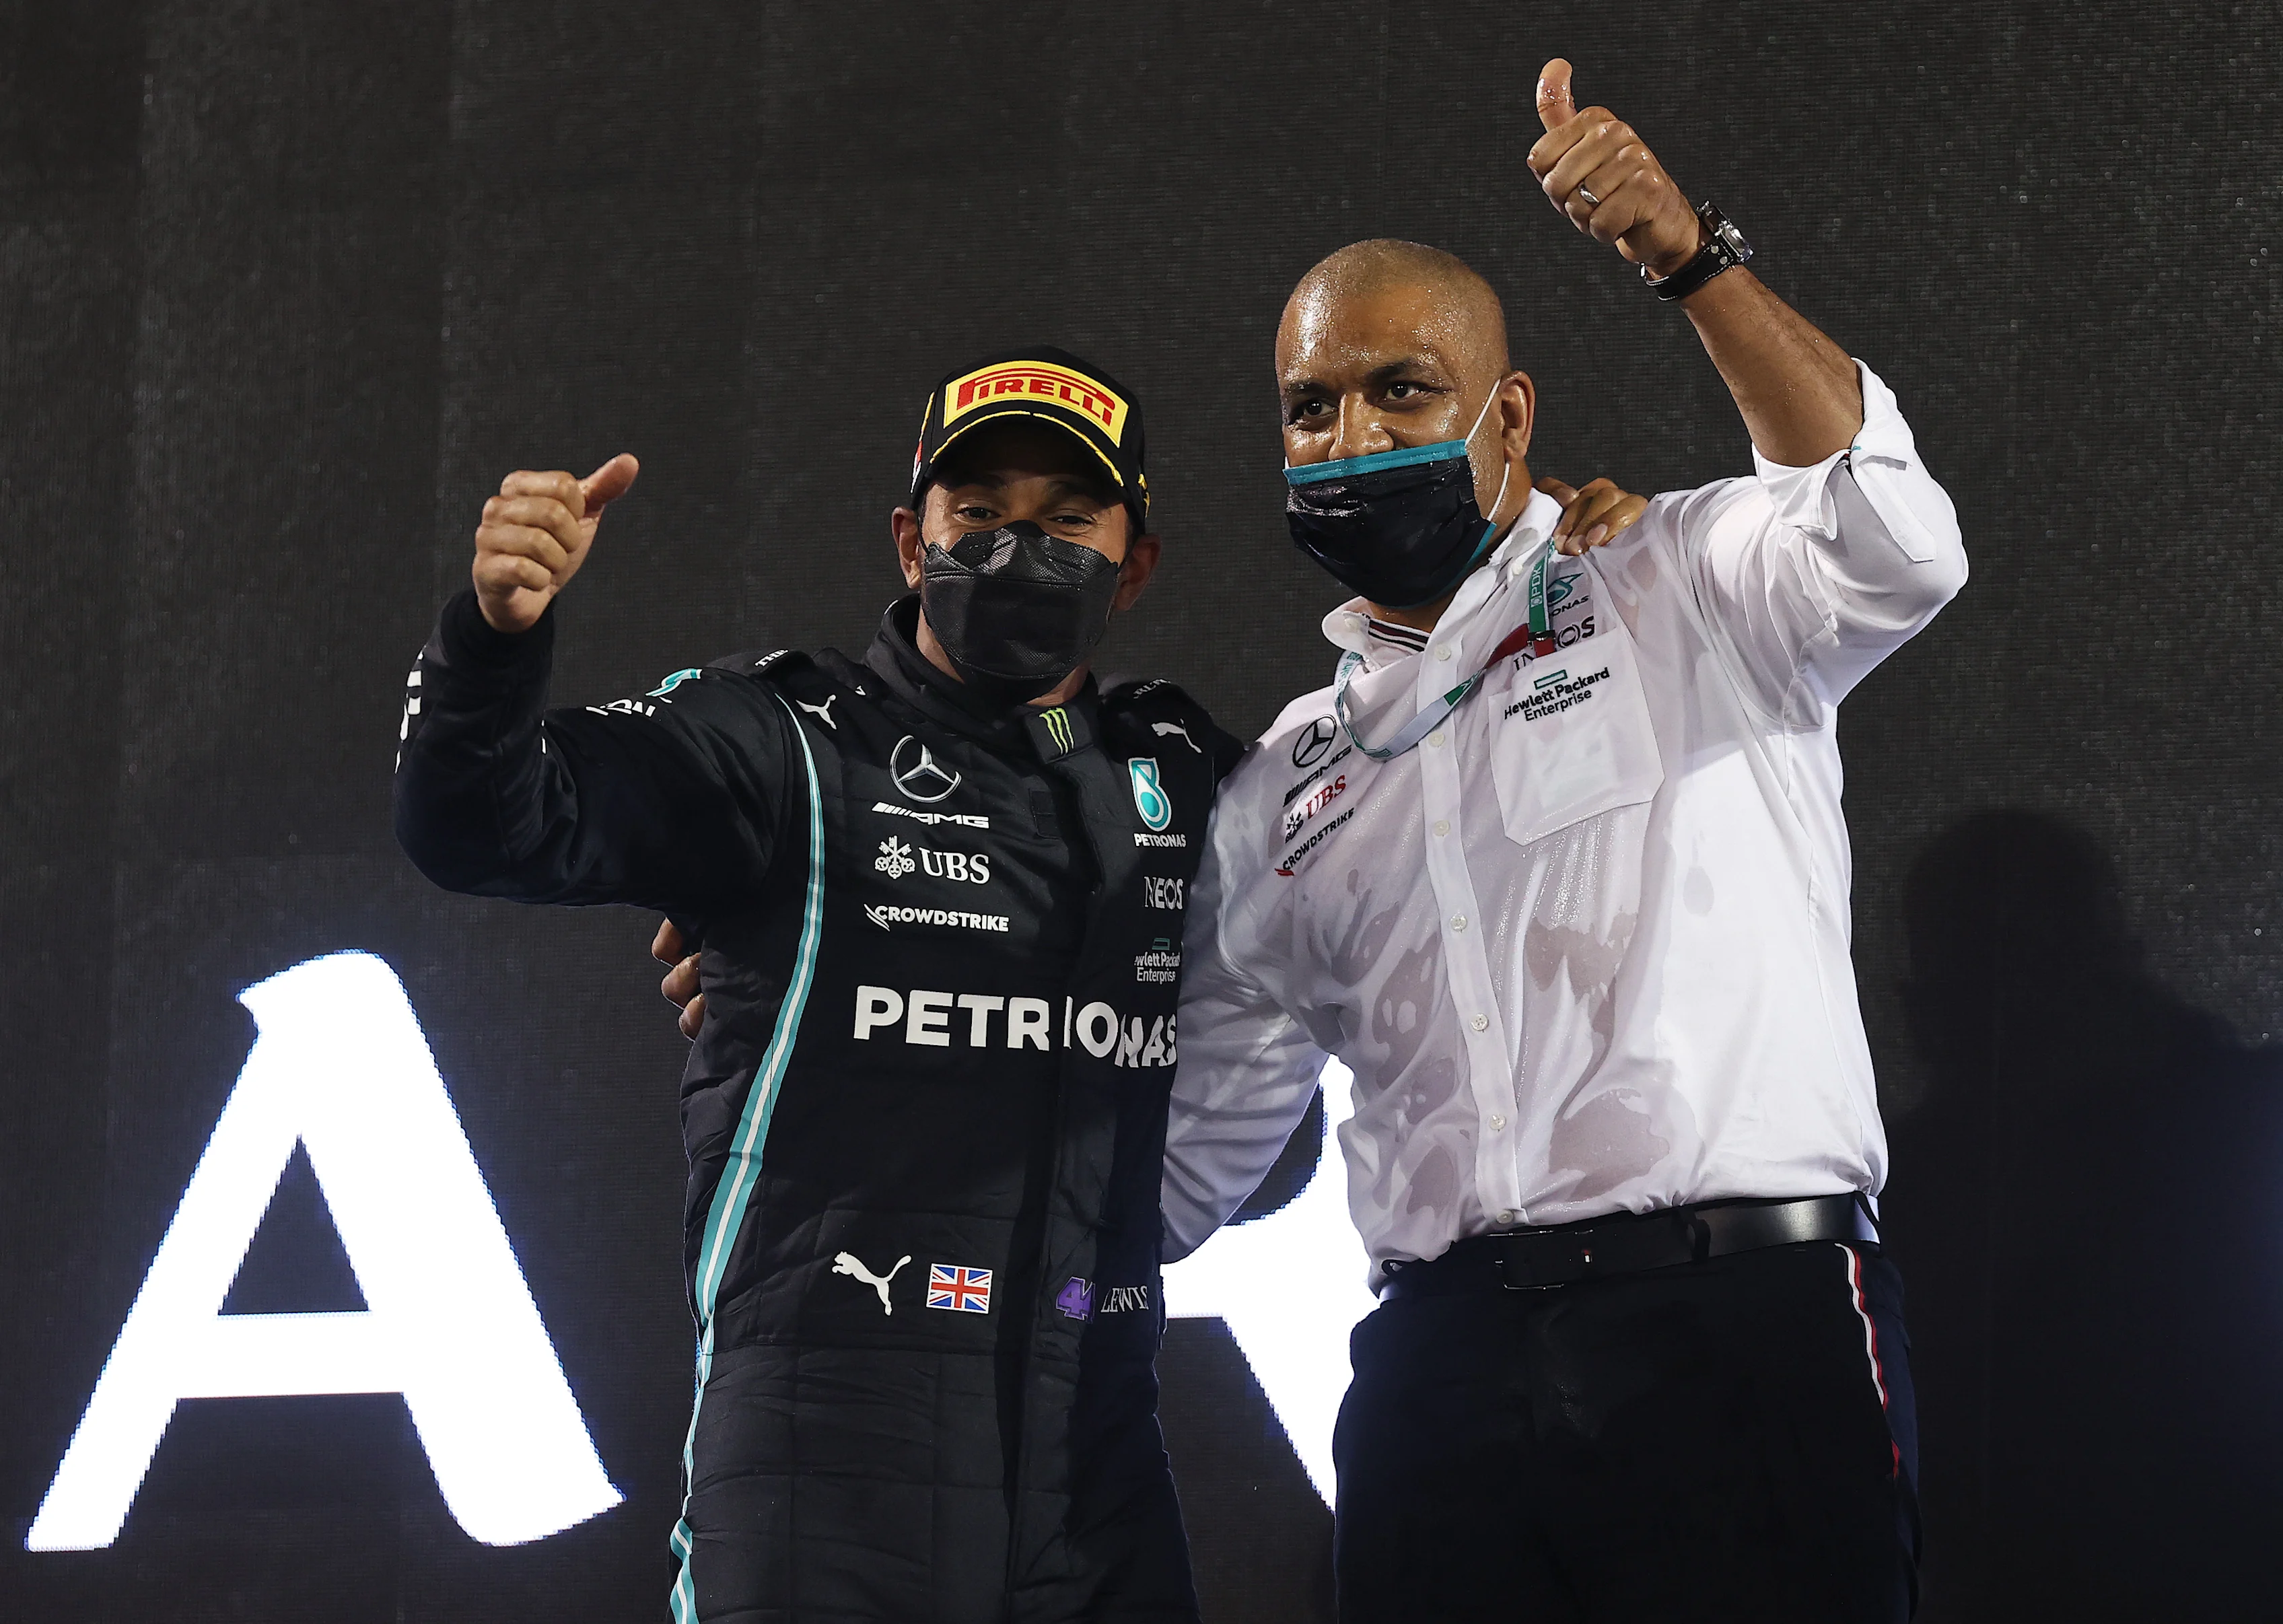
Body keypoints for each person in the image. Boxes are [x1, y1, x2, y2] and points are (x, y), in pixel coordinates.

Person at [1160, 59, 1967, 1623]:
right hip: (1439, 1378)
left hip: (1742, 1324)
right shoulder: (1276, 789)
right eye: (1309, 408)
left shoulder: (1685, 576)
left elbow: (1894, 539)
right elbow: (1188, 1161)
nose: (1348, 435)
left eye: (1402, 390)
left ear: (1507, 412)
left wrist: (1687, 255)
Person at [394, 347, 1242, 1624]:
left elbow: (1278, 1091)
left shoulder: (1182, 777)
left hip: (1097, 1467)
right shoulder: (783, 738)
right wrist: (494, 638)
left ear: (1135, 566)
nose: (1022, 547)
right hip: (825, 1463)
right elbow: (486, 826)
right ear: (913, 543)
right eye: (981, 515)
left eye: (1069, 519)